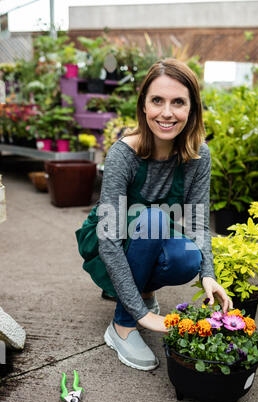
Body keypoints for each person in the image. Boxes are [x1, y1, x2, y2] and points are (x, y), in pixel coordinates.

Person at [76, 58, 232, 371]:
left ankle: (141, 291)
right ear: (144, 105)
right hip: (108, 243)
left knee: (188, 258)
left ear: (192, 109)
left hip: (151, 237)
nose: (166, 112)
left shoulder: (198, 155)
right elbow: (108, 240)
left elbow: (199, 222)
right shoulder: (124, 153)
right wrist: (142, 315)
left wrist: (209, 275)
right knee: (156, 218)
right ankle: (122, 326)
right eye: (157, 100)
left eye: (178, 102)